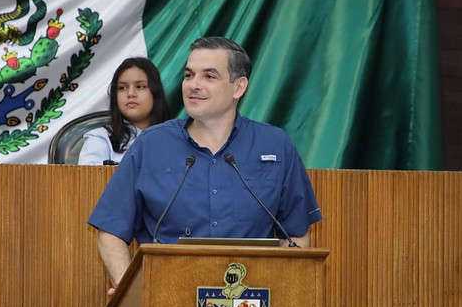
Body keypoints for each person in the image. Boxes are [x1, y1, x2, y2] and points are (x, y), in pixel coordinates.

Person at [88, 37, 322, 290]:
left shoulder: (275, 145)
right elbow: (110, 230)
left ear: (238, 87)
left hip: (251, 305)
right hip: (166, 299)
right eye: (189, 75)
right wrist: (128, 292)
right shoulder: (151, 146)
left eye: (209, 77)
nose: (193, 85)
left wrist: (281, 295)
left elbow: (296, 234)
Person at [78, 57, 171, 165]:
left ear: (155, 93)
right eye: (122, 88)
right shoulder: (100, 139)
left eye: (140, 86)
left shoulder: (176, 139)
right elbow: (88, 180)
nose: (130, 93)